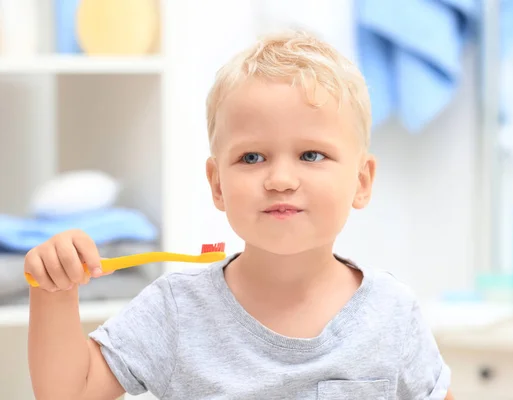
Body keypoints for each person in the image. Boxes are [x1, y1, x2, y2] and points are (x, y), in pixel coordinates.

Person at [27, 30, 453, 399]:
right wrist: (54, 291)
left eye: (311, 154)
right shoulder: (176, 311)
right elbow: (69, 392)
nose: (280, 179)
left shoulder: (392, 314)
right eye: (252, 157)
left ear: (361, 181)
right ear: (217, 184)